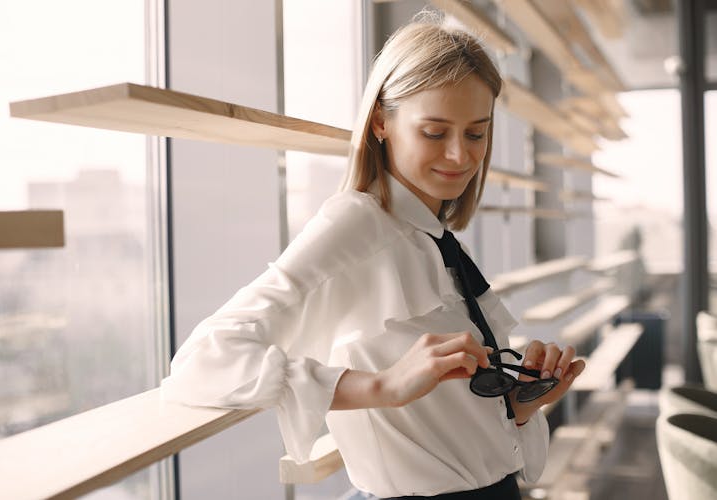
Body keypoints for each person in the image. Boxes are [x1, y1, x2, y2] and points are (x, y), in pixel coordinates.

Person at [160, 15, 586, 500]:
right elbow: (203, 359)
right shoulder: (357, 227)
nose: (460, 156)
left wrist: (522, 401)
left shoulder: (439, 241)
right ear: (382, 121)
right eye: (434, 131)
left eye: (475, 134)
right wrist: (381, 386)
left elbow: (455, 431)